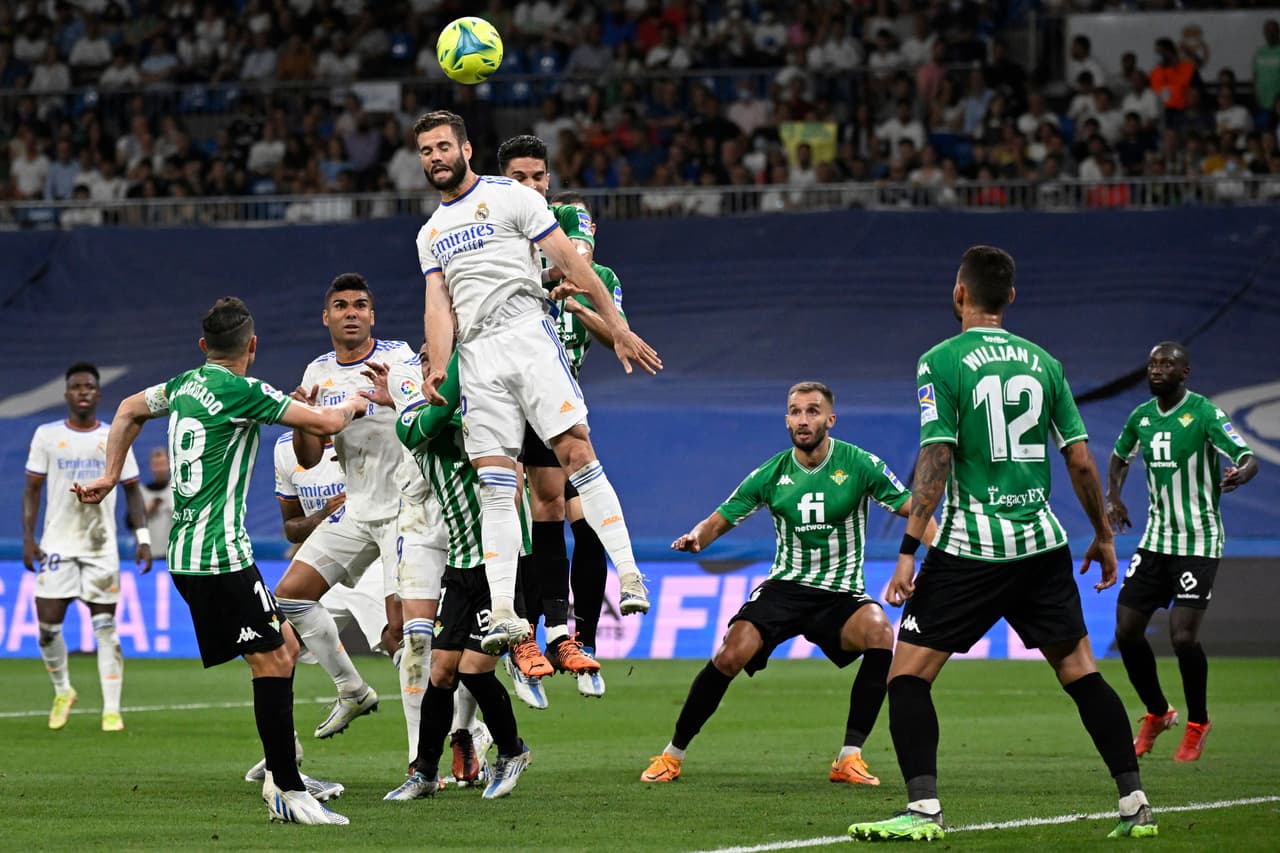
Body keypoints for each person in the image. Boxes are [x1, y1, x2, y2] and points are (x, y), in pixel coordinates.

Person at [847, 247, 1158, 842]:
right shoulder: (1045, 363)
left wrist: (909, 549)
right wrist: (1103, 535)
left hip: (971, 548)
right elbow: (1081, 461)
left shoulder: (940, 360)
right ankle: (1135, 802)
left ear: (959, 293)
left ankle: (923, 812)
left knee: (907, 677)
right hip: (1041, 545)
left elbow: (936, 456)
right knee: (1080, 671)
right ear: (1010, 297)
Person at [74, 297, 366, 825]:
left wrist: (110, 474)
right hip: (218, 558)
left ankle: (283, 770)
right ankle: (286, 790)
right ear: (252, 346)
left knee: (286, 646)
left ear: (203, 346)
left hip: (193, 553)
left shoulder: (183, 385)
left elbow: (128, 409)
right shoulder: (244, 391)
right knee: (272, 661)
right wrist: (357, 402)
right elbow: (327, 420)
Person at [413, 110, 662, 656]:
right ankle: (505, 612)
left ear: (466, 150)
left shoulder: (512, 198)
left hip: (528, 335)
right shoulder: (429, 234)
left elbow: (573, 263)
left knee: (577, 453)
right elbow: (438, 305)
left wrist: (618, 327)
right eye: (427, 151)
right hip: (478, 357)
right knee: (496, 485)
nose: (435, 157)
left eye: (443, 147)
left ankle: (630, 573)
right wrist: (437, 366)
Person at [644, 381, 936, 786]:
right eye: (796, 412)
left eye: (813, 411)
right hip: (784, 587)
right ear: (786, 420)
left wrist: (932, 562)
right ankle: (671, 755)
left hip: (840, 593)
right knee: (731, 653)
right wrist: (697, 538)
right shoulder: (772, 473)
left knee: (880, 633)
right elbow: (719, 519)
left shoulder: (860, 464)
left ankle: (849, 758)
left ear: (830, 420)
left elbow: (918, 509)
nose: (803, 420)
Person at [369, 357, 531, 801]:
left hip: (497, 564)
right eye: (426, 365)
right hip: (460, 565)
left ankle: (512, 751)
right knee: (440, 671)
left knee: (473, 669)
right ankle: (424, 772)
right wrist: (466, 350)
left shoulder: (479, 416)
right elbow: (439, 417)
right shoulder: (417, 423)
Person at [495, 135, 616, 704]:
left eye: (538, 177)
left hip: (558, 408)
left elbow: (604, 316)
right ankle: (523, 638)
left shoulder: (588, 260)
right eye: (519, 178)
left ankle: (577, 639)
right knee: (523, 515)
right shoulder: (501, 254)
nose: (531, 187)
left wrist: (576, 300)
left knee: (585, 521)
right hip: (507, 404)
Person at [275, 273, 418, 739]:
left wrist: (397, 397)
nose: (351, 313)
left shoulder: (399, 358)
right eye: (341, 306)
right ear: (326, 317)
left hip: (403, 509)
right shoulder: (317, 372)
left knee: (403, 634)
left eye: (359, 305)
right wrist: (303, 420)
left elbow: (427, 419)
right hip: (356, 508)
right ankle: (352, 689)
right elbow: (308, 458)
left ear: (372, 315)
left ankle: (441, 746)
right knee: (291, 595)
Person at [1107, 342, 1257, 762]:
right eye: (1153, 363)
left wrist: (1242, 473)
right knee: (1126, 631)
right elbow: (1119, 457)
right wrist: (1113, 496)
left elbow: (1247, 456)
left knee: (1183, 637)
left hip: (1198, 541)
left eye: (1167, 364)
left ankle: (1198, 722)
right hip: (1156, 540)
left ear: (1184, 372)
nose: (1157, 370)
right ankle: (1158, 712)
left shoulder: (1204, 413)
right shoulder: (1141, 417)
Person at [23, 362, 151, 732]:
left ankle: (112, 710)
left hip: (101, 545)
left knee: (106, 627)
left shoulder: (115, 435)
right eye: (77, 386)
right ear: (67, 394)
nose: (83, 392)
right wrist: (29, 539)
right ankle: (63, 690)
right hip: (57, 544)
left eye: (89, 386)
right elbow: (32, 490)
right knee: (47, 629)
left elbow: (133, 491)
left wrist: (143, 539)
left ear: (98, 393)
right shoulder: (47, 435)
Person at [140, 447, 173, 560]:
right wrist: (148, 511)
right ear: (151, 467)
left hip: (173, 555)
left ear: (169, 465)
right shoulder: (141, 492)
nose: (160, 469)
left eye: (162, 464)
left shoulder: (178, 490)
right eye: (156, 465)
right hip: (150, 556)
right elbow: (130, 522)